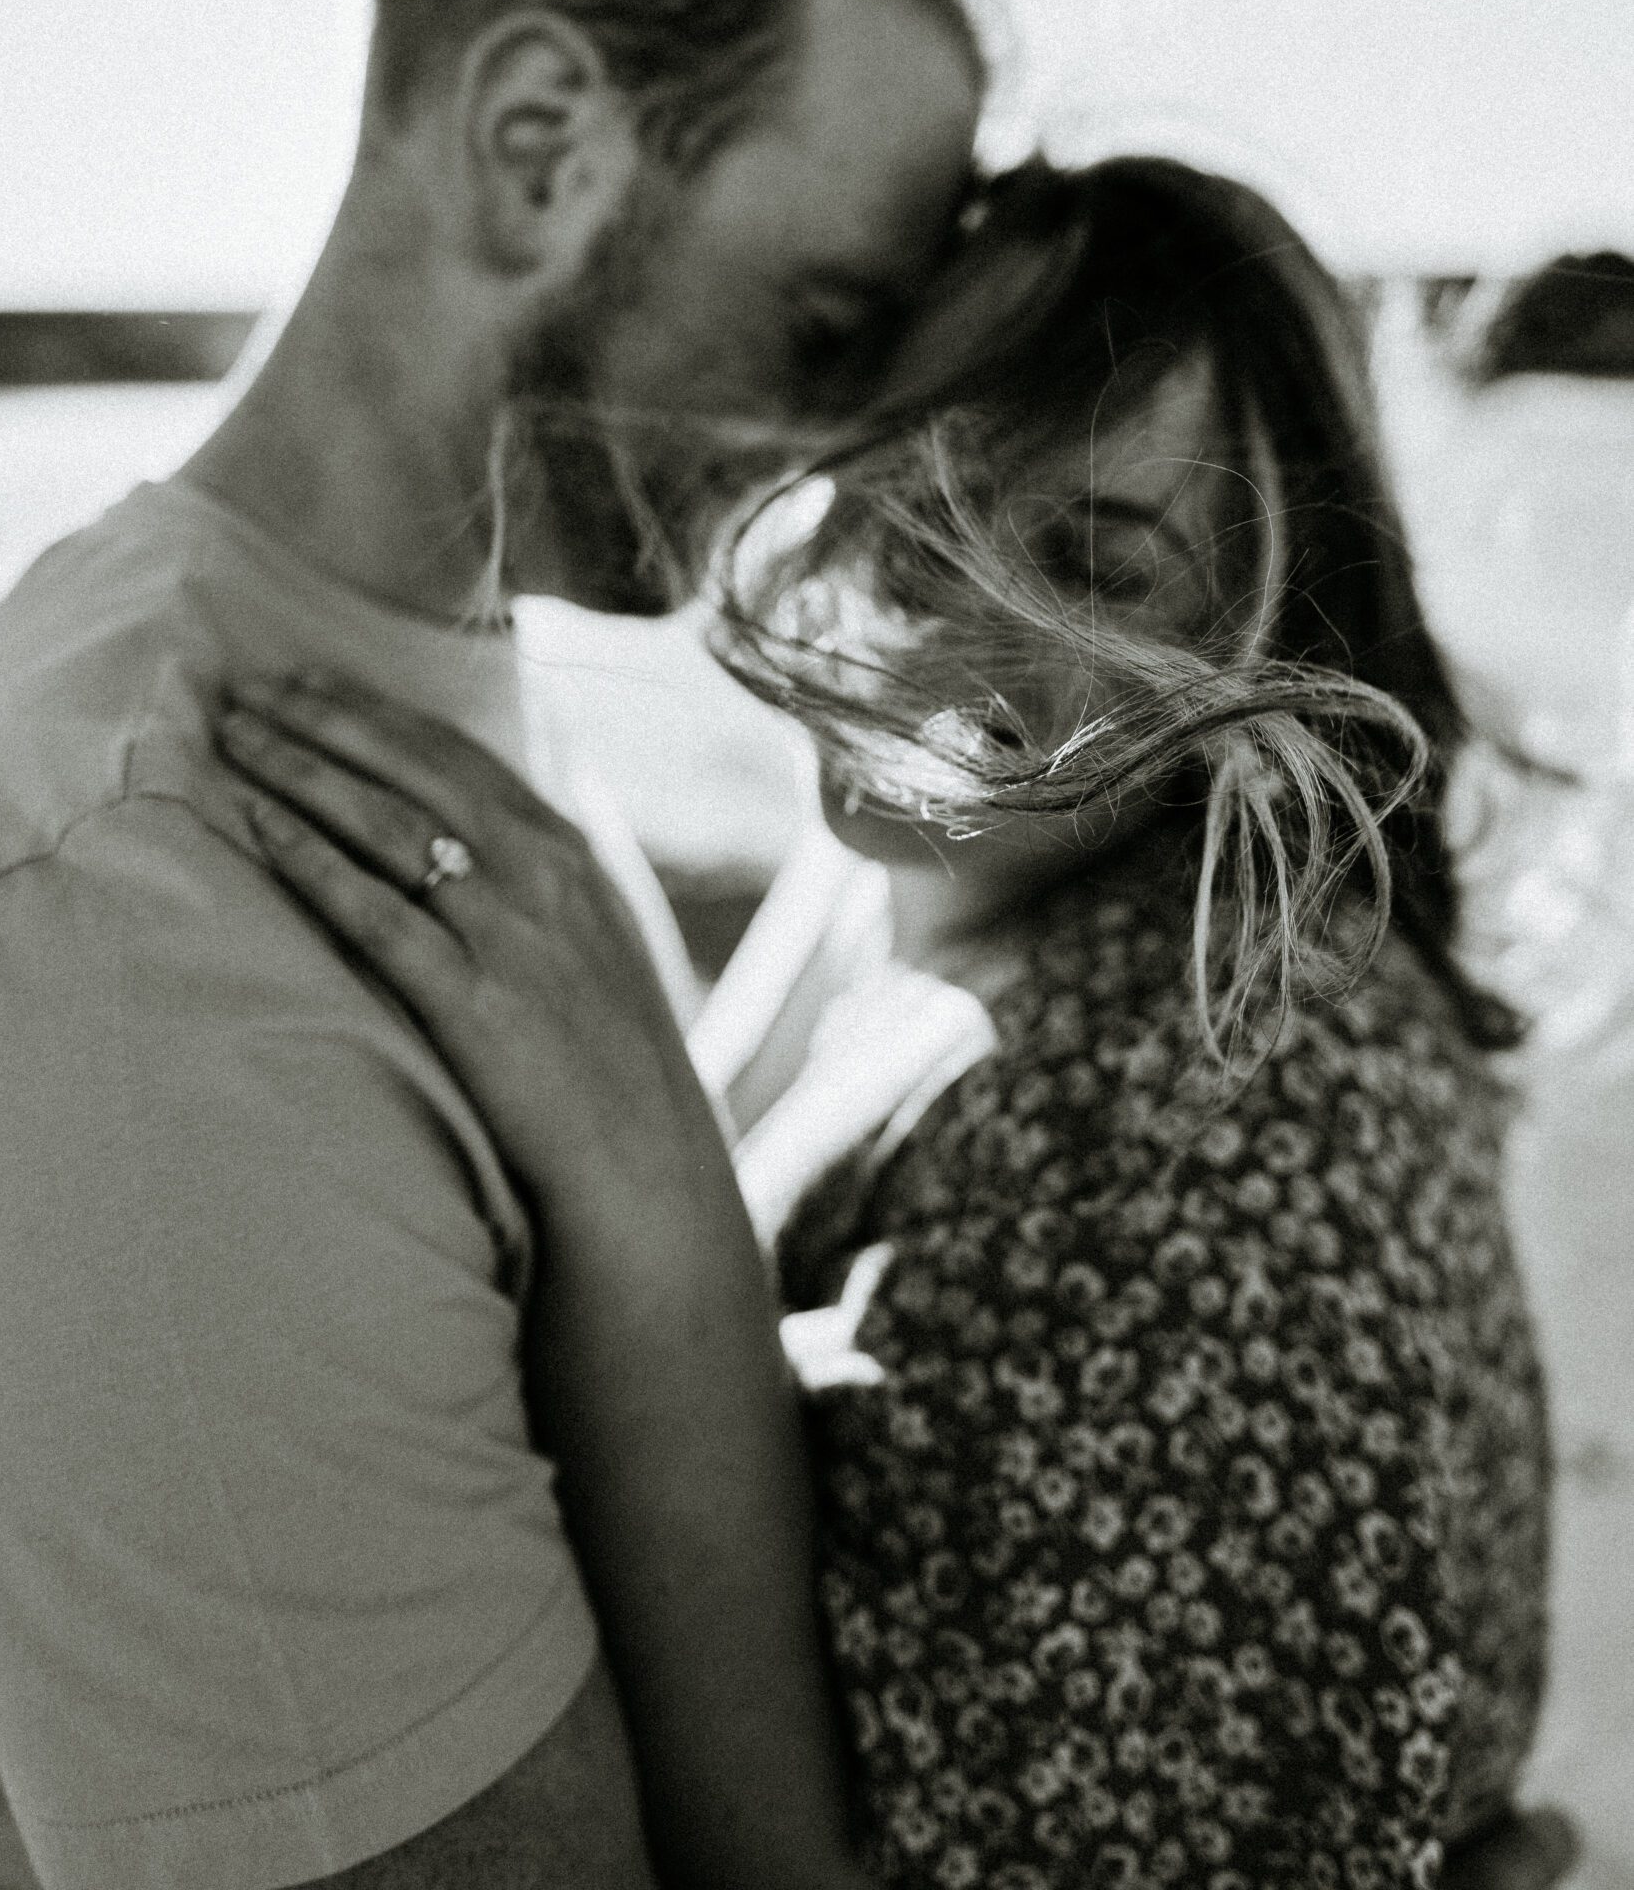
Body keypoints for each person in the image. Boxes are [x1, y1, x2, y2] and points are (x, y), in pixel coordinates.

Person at [216, 160, 1562, 1887]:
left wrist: (641, 1185)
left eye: (1096, 557)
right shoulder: (985, 884)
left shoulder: (1194, 1116)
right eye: (922, 492)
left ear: (1267, 626)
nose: (953, 615)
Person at [0, 0, 984, 1890]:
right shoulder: (140, 910)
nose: (852, 444)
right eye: (820, 326)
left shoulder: (428, 670)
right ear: (539, 149)